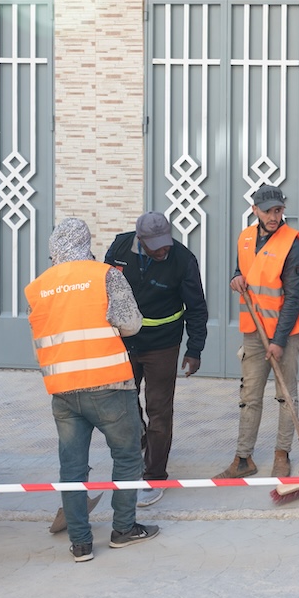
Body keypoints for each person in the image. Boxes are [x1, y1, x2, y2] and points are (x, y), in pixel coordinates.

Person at [26, 218, 160, 562]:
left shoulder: (37, 287)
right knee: (128, 457)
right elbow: (131, 324)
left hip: (64, 390)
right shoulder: (104, 275)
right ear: (86, 242)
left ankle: (81, 543)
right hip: (109, 386)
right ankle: (124, 529)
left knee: (72, 468)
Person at [104, 211, 209, 508]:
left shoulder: (183, 260)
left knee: (160, 411)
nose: (164, 250)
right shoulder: (120, 249)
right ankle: (142, 446)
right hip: (125, 342)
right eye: (156, 245)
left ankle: (155, 475)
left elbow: (197, 308)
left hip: (163, 345)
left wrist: (194, 350)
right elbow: (105, 290)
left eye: (166, 243)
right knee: (124, 404)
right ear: (140, 239)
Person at [219, 184, 299, 479]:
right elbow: (242, 269)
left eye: (279, 210)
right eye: (269, 210)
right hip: (253, 333)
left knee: (286, 396)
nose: (274, 215)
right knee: (249, 395)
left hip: (285, 334)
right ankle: (243, 458)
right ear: (255, 210)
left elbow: (294, 297)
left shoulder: (293, 244)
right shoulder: (245, 238)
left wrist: (279, 340)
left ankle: (282, 454)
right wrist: (236, 277)